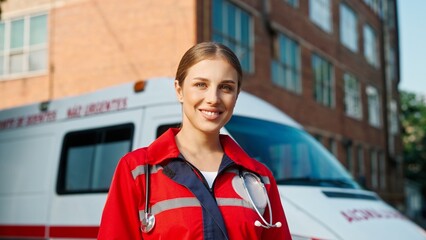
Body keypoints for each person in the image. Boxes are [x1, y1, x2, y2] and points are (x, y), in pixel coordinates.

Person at [98, 42, 292, 239]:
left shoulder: (260, 178)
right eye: (201, 85)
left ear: (236, 96)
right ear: (179, 90)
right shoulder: (137, 170)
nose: (213, 98)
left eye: (226, 87)